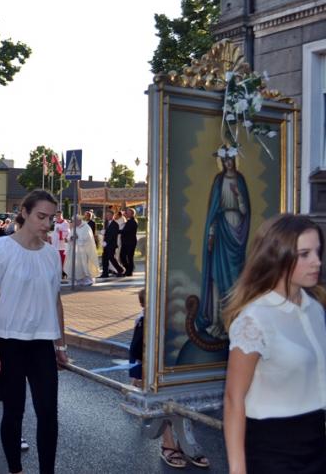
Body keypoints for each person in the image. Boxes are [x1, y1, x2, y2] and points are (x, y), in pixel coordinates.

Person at [223, 214, 326, 474]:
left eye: (317, 252)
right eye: (304, 254)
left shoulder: (315, 309)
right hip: (274, 452)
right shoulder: (254, 319)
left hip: (317, 442)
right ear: (277, 257)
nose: (317, 261)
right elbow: (234, 398)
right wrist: (237, 469)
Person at [0, 189, 68, 474]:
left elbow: (56, 302)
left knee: (48, 413)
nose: (47, 223)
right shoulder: (0, 249)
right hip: (8, 342)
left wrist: (61, 345)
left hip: (42, 343)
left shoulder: (51, 255)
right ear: (24, 213)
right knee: (14, 411)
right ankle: (15, 470)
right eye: (41, 216)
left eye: (51, 218)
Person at [128, 289, 208, 469]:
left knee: (184, 399)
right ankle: (168, 443)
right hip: (157, 365)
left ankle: (184, 442)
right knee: (163, 399)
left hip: (175, 360)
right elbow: (136, 347)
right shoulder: (145, 320)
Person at [198, 148, 251, 338]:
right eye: (225, 160)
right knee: (217, 275)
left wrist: (238, 195)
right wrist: (211, 234)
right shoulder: (219, 180)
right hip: (221, 230)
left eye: (231, 159)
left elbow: (245, 211)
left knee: (235, 277)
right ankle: (217, 321)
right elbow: (214, 210)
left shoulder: (240, 180)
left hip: (237, 232)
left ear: (235, 160)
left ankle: (234, 320)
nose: (228, 163)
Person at [65, 215, 99, 286]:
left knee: (84, 265)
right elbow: (70, 236)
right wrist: (71, 238)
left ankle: (88, 279)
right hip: (75, 250)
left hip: (84, 250)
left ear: (79, 220)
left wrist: (78, 237)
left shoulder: (86, 227)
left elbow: (88, 238)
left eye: (75, 221)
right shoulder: (74, 228)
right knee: (76, 265)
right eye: (73, 221)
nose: (73, 223)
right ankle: (78, 279)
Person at [100, 210, 125, 278]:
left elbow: (113, 235)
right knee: (104, 258)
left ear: (112, 215)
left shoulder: (115, 224)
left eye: (109, 215)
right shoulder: (106, 223)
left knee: (111, 258)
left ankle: (120, 270)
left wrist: (106, 242)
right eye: (106, 215)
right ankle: (105, 273)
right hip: (106, 244)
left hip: (111, 244)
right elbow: (106, 233)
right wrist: (103, 233)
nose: (107, 216)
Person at [50, 211, 69, 279]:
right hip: (55, 244)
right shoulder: (56, 222)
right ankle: (57, 272)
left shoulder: (65, 223)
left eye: (59, 215)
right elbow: (55, 232)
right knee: (56, 258)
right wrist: (51, 237)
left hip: (61, 245)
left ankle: (63, 272)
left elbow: (67, 232)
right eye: (57, 216)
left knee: (62, 259)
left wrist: (60, 233)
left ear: (62, 215)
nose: (58, 217)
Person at [119, 208, 138, 276]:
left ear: (132, 214)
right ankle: (128, 270)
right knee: (123, 256)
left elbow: (125, 231)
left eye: (127, 212)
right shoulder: (129, 221)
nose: (126, 214)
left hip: (130, 242)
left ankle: (129, 271)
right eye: (126, 212)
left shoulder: (132, 221)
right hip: (126, 242)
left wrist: (116, 231)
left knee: (128, 257)